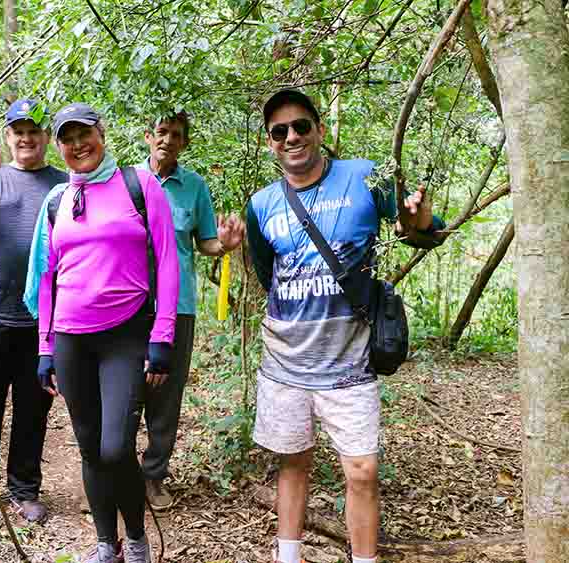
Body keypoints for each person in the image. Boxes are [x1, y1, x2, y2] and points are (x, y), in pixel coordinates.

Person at [245, 90, 444, 563]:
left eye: (301, 126)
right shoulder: (261, 204)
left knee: (361, 469)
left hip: (349, 359)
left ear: (319, 130)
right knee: (293, 463)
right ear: (271, 143)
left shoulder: (364, 177)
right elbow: (265, 272)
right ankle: (287, 557)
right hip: (285, 360)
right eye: (280, 131)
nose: (292, 137)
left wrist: (417, 220)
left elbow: (422, 232)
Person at [25, 103, 180, 563]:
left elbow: (168, 260)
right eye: (67, 139)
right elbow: (47, 276)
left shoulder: (139, 184)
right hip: (71, 338)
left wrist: (163, 335)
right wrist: (45, 347)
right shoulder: (56, 202)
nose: (78, 145)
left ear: (102, 133)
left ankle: (135, 538)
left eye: (84, 134)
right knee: (90, 447)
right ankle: (105, 545)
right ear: (59, 147)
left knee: (116, 447)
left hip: (126, 334)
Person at [0, 99, 67, 522]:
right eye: (18, 131)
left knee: (32, 405)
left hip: (42, 318)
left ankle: (25, 489)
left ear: (46, 139)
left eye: (34, 130)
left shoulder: (63, 184)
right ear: (8, 136)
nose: (26, 138)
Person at [136, 111, 245, 510]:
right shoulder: (128, 181)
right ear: (148, 136)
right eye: (162, 132)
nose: (168, 139)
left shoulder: (194, 186)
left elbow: (206, 243)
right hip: (129, 305)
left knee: (166, 393)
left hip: (178, 305)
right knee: (125, 389)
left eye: (177, 135)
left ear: (185, 143)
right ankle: (114, 477)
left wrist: (227, 244)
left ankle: (154, 476)